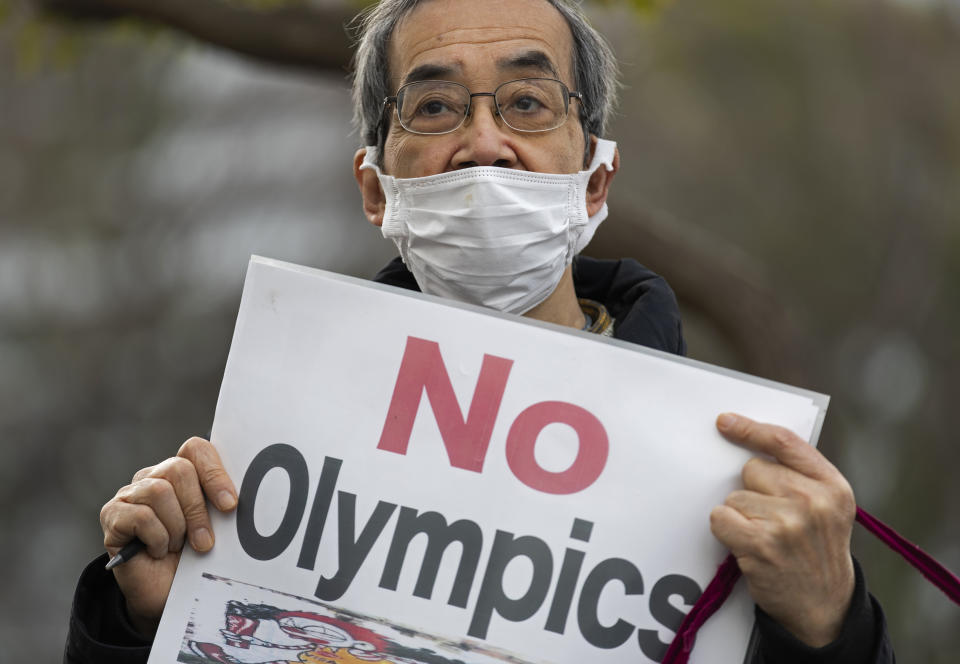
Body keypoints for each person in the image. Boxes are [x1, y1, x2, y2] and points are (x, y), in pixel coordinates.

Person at [64, 1, 894, 663]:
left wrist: (829, 632)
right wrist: (142, 630)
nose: (486, 144)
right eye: (434, 107)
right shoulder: (255, 464)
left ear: (596, 179)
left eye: (529, 103)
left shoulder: (739, 489)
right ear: (376, 190)